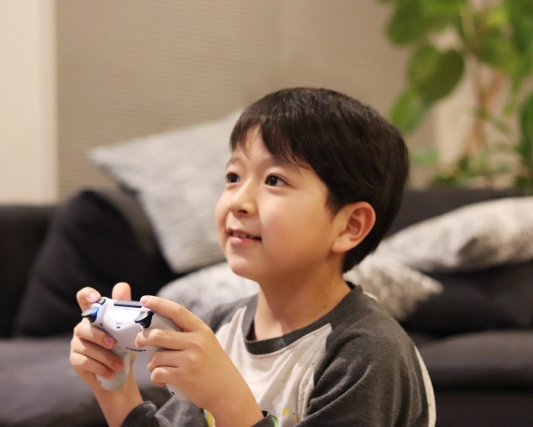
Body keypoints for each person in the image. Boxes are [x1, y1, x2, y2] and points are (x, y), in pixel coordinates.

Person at [70, 88, 436, 427]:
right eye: (233, 176)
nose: (238, 201)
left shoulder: (367, 353)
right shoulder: (220, 326)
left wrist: (227, 400)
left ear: (349, 226)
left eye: (274, 180)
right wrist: (116, 390)